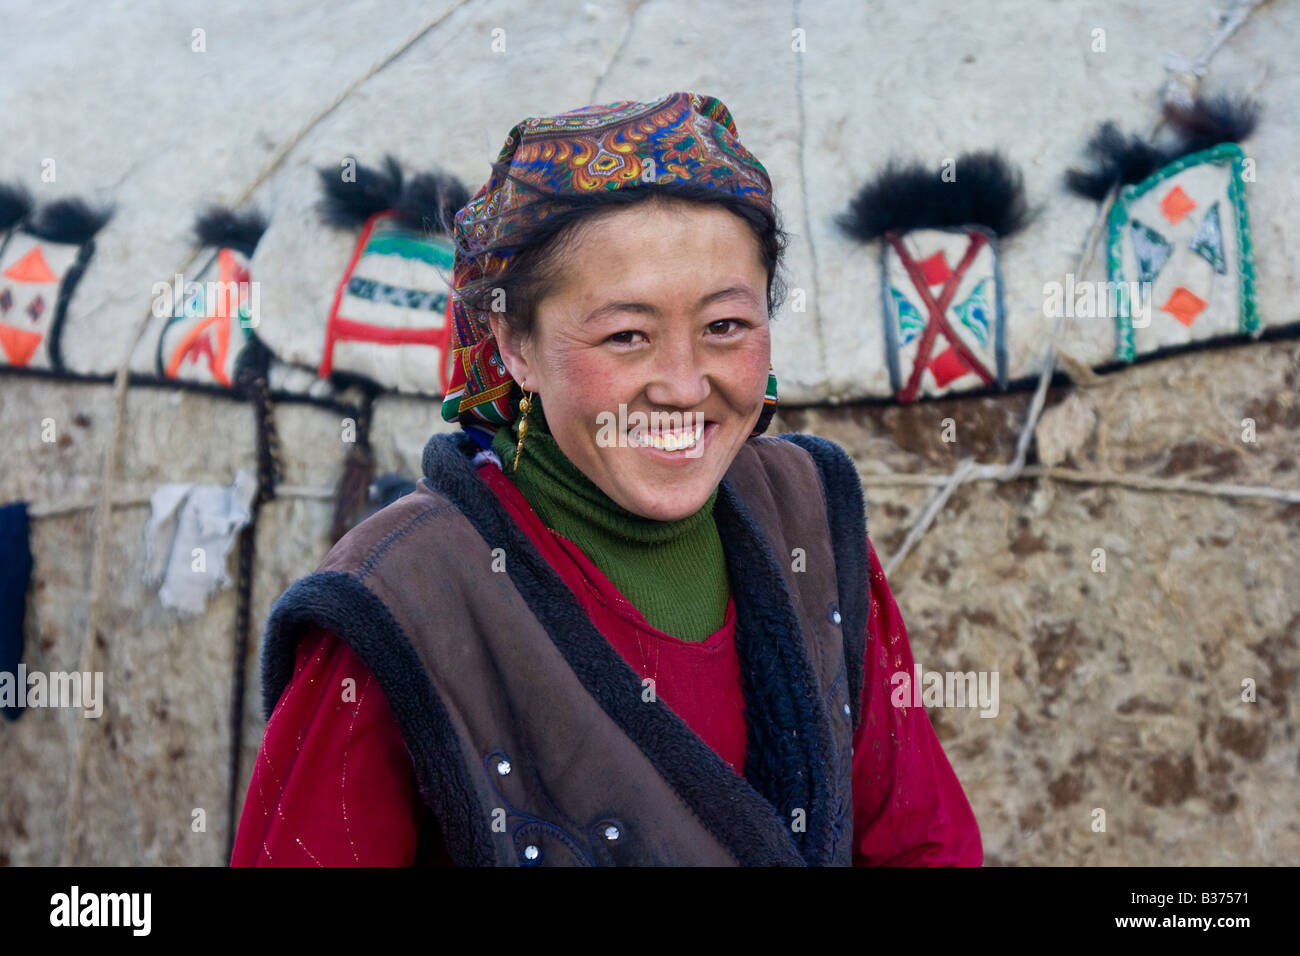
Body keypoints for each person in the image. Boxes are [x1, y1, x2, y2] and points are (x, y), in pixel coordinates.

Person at [230, 91, 982, 866]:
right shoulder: (405, 602)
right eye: (626, 335)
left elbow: (922, 839)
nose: (684, 386)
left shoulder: (810, 524)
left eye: (725, 326)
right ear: (514, 343)